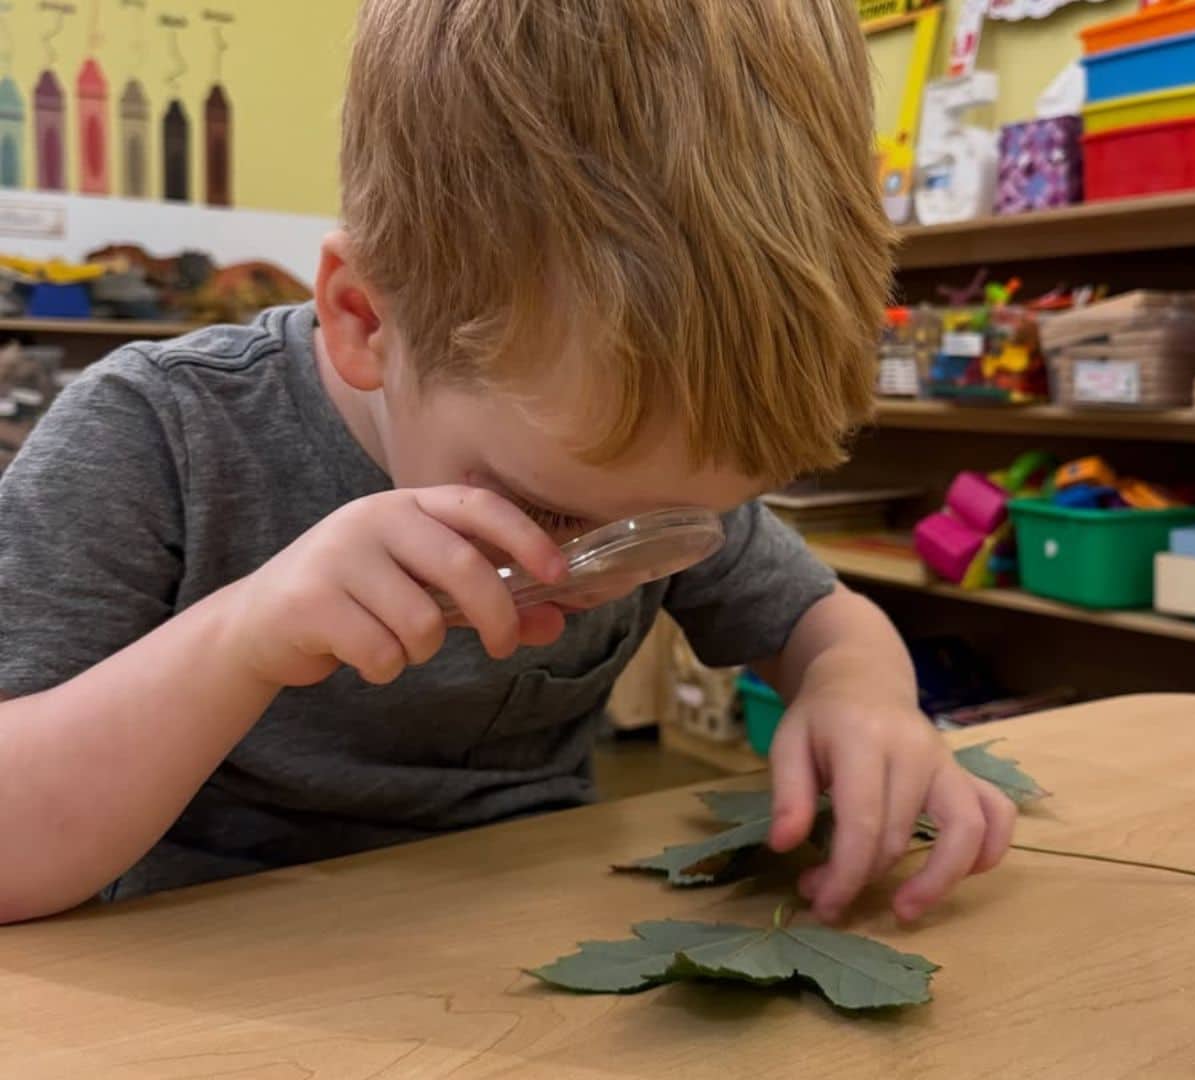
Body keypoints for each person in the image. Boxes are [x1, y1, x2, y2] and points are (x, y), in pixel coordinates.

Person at [0, 0, 1014, 926]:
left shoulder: (634, 462)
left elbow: (825, 625)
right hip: (204, 967)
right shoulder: (155, 435)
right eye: (550, 515)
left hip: (525, 937)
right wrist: (242, 639)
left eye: (674, 531)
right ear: (364, 318)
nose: (610, 574)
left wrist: (864, 698)